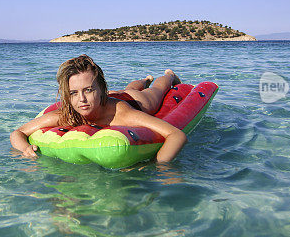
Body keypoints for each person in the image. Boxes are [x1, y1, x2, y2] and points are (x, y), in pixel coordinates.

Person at [10, 55, 188, 163]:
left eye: (88, 90)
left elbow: (177, 135)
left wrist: (158, 166)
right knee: (129, 88)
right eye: (74, 93)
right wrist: (25, 149)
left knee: (153, 92)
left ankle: (169, 76)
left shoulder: (123, 114)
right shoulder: (67, 115)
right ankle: (145, 78)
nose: (81, 99)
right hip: (110, 95)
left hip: (135, 101)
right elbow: (17, 133)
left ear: (101, 90)